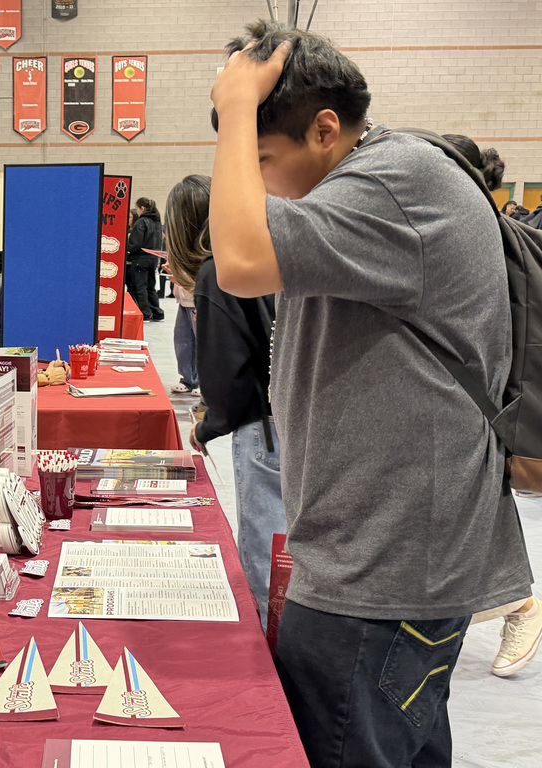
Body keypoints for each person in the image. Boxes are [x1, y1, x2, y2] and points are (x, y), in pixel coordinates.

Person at [208, 21, 532, 767]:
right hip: (384, 559)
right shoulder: (376, 180)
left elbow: (239, 257)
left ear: (326, 129)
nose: (256, 180)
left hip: (381, 574)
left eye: (262, 159)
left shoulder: (394, 183)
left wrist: (235, 104)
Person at [441, 134, 542, 677]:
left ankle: (520, 605)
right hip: (466, 403)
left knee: (466, 516)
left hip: (477, 405)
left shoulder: (493, 242)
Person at [166, 174, 285, 630]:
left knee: (266, 550)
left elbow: (229, 377)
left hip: (265, 426)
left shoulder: (219, 275)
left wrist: (206, 427)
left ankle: (270, 656)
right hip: (294, 418)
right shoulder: (259, 258)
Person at [125, 197, 164, 321]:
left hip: (140, 259)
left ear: (142, 208)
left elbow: (135, 243)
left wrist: (127, 249)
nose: (138, 211)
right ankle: (157, 313)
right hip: (153, 259)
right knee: (151, 287)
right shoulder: (157, 222)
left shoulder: (141, 222)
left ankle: (145, 313)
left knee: (140, 287)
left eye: (137, 208)